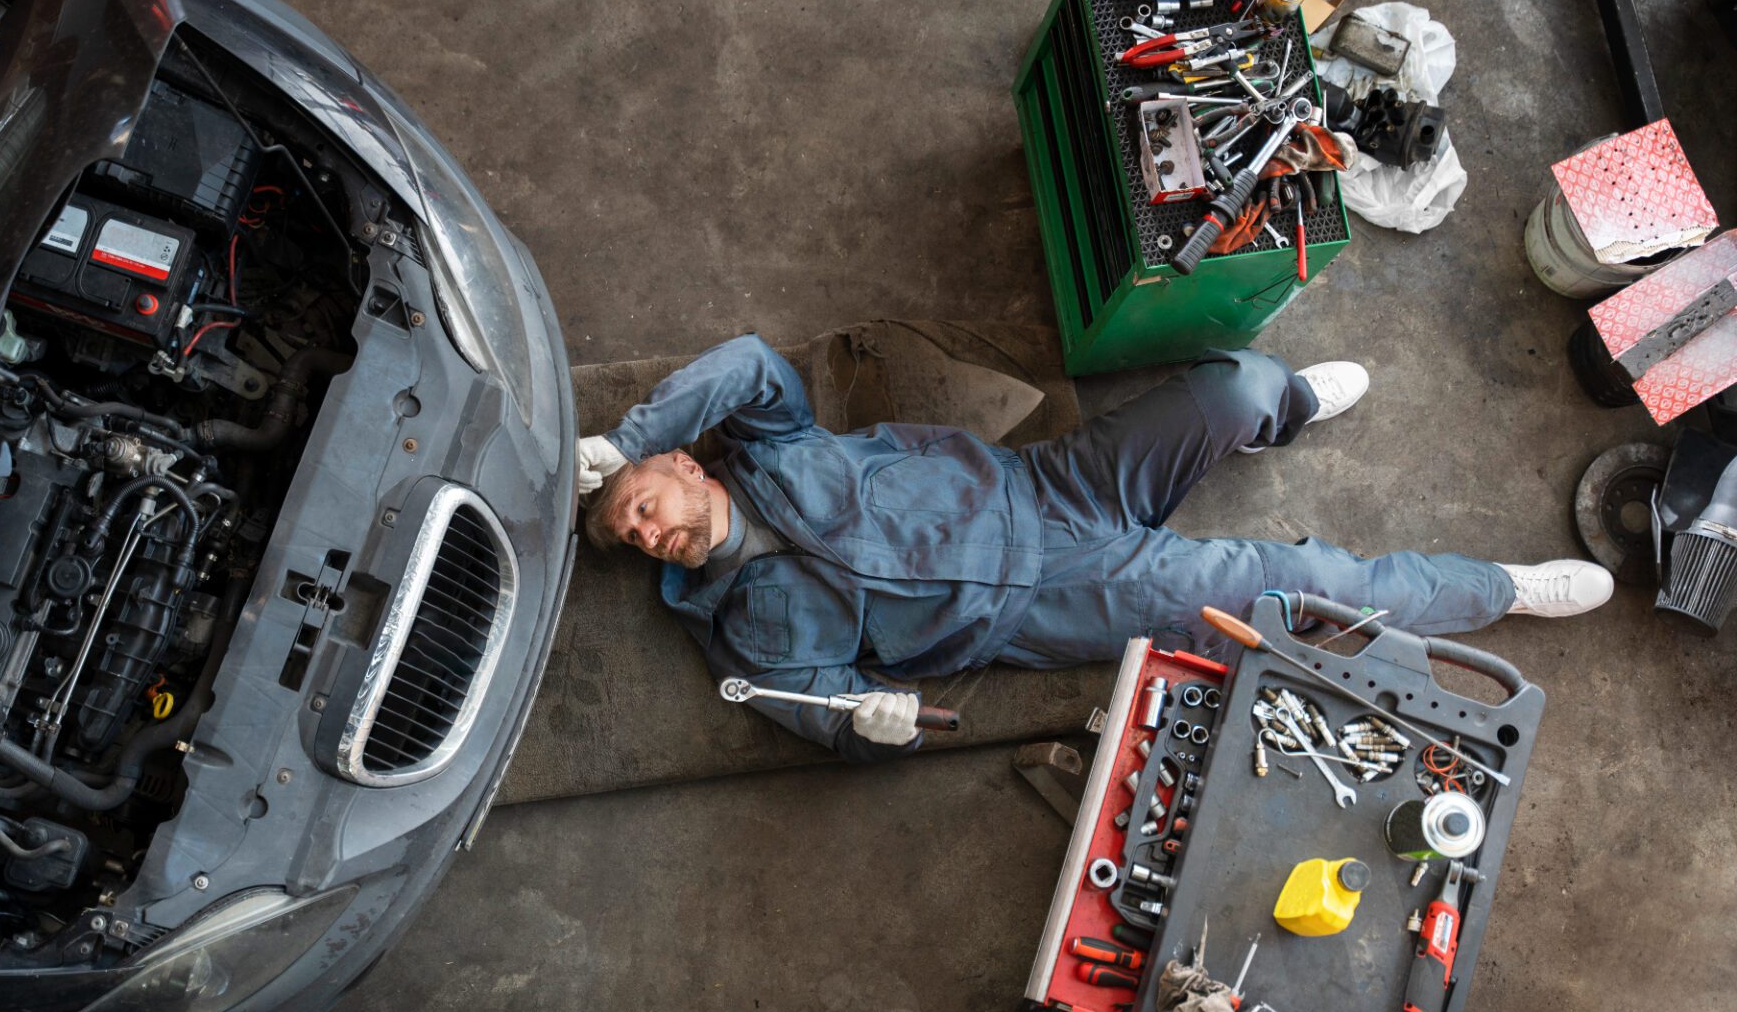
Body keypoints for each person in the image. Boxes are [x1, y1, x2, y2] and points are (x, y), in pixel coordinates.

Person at [576, 335, 1611, 762]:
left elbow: (750, 360)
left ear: (681, 462)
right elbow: (838, 719)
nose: (647, 527)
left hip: (1050, 483)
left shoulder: (769, 441)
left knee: (1239, 385)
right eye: (635, 538)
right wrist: (872, 723)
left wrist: (615, 438)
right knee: (1305, 590)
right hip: (1058, 601)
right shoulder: (745, 644)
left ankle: (1286, 409)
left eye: (638, 498)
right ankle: (1498, 590)